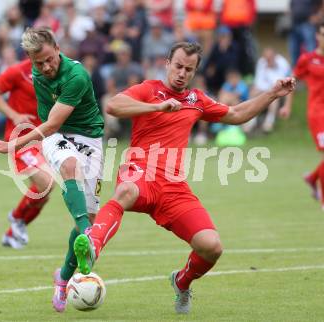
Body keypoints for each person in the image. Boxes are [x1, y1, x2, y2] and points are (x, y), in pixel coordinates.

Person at [73, 42, 295, 314]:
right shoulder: (149, 89)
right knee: (126, 191)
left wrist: (273, 93)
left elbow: (236, 114)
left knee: (211, 247)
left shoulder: (196, 100)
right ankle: (92, 247)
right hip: (141, 171)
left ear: (195, 72)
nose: (182, 73)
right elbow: (114, 105)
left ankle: (182, 281)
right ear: (167, 63)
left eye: (189, 69)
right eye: (178, 66)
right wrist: (157, 109)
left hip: (173, 187)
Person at [0, 27, 104, 312]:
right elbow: (51, 127)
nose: (46, 67)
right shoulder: (36, 72)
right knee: (69, 166)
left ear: (58, 48)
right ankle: (89, 235)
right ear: (30, 59)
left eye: (50, 59)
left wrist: (12, 144)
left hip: (88, 138)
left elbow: (50, 122)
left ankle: (63, 277)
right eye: (38, 63)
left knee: (88, 211)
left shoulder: (76, 75)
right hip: (55, 136)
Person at [0, 58, 53, 249]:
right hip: (20, 139)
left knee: (44, 193)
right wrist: (14, 115)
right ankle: (15, 217)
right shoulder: (18, 72)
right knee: (46, 183)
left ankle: (11, 233)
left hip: (46, 139)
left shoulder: (57, 71)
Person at [280, 22, 324, 207]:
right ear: (318, 37)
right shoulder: (308, 59)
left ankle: (313, 178)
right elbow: (293, 80)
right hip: (317, 113)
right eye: (322, 34)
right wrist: (287, 106)